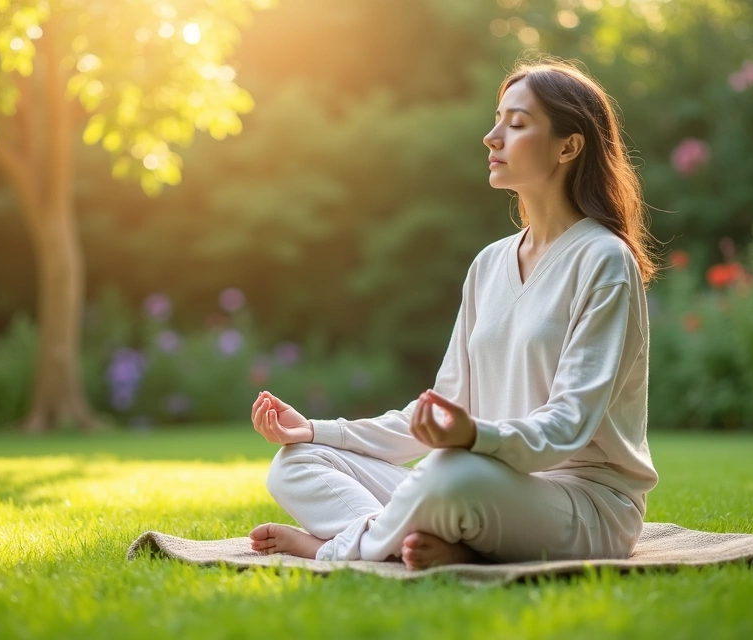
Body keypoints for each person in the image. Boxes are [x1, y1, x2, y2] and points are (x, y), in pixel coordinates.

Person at [247, 58, 661, 571]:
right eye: (496, 119)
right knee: (296, 465)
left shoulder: (604, 260)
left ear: (568, 146)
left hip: (583, 505)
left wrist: (472, 439)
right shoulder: (489, 265)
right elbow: (435, 415)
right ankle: (430, 545)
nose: (492, 137)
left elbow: (569, 425)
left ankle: (333, 549)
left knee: (449, 473)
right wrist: (314, 430)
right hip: (480, 479)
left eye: (516, 123)